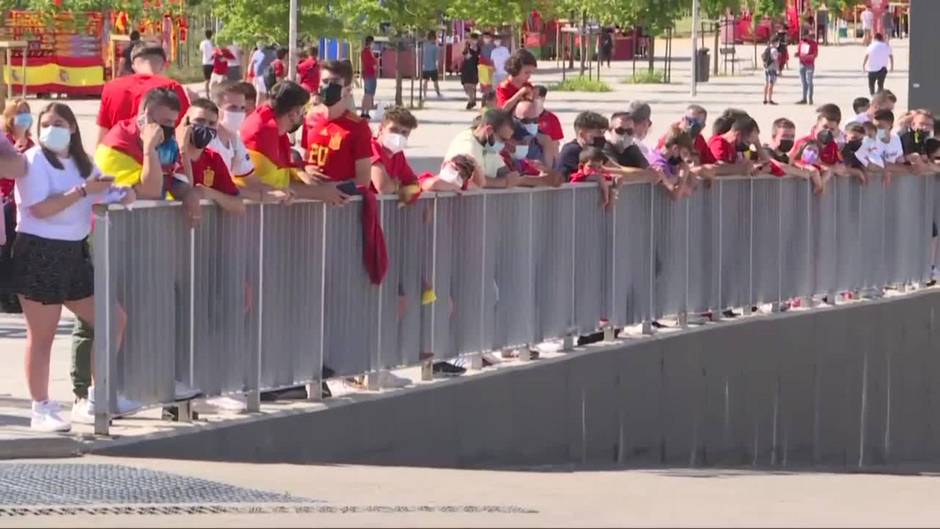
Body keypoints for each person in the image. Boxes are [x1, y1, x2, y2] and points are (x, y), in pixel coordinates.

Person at [14, 103, 134, 432]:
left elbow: (102, 192)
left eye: (59, 122)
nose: (52, 128)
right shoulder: (35, 160)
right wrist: (82, 191)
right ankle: (41, 406)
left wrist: (119, 193)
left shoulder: (83, 161)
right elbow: (39, 209)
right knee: (42, 336)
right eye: (46, 123)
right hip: (40, 252)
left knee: (113, 319)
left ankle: (96, 396)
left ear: (72, 128)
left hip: (74, 252)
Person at [243, 80, 344, 203]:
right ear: (293, 113)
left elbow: (280, 171)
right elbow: (273, 188)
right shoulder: (265, 130)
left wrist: (300, 172)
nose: (304, 116)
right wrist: (322, 192)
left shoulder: (268, 121)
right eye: (303, 111)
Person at [96, 44, 190, 145]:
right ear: (164, 65)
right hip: (156, 158)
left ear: (133, 66)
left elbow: (102, 136)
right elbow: (185, 134)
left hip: (118, 155)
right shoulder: (172, 87)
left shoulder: (111, 87)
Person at [301, 61, 373, 191]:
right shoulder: (310, 118)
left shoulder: (359, 127)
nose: (328, 86)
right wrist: (305, 169)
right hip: (312, 202)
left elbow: (363, 181)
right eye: (325, 81)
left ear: (347, 90)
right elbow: (306, 159)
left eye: (334, 82)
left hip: (342, 205)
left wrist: (331, 188)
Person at [176, 99, 244, 214]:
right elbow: (188, 192)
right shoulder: (172, 154)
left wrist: (209, 193)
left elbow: (239, 206)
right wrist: (183, 151)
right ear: (186, 122)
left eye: (211, 123)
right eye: (199, 121)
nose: (205, 127)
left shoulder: (213, 159)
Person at [442, 108, 522, 188]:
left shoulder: (488, 145)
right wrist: (505, 182)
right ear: (489, 131)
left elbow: (503, 172)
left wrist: (518, 178)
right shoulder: (466, 146)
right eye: (503, 139)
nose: (503, 145)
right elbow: (471, 180)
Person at [208, 81, 254, 180]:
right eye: (233, 107)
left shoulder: (235, 139)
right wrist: (263, 195)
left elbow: (248, 178)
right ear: (216, 109)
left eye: (242, 108)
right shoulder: (207, 142)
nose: (239, 113)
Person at [370, 106, 419, 195]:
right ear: (381, 129)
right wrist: (398, 185)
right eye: (393, 130)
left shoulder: (398, 154)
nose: (398, 136)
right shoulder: (371, 148)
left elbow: (414, 184)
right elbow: (383, 187)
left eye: (404, 132)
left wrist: (394, 185)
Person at [556, 111, 608, 181]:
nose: (602, 136)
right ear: (582, 134)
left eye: (603, 132)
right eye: (599, 132)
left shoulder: (597, 150)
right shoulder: (571, 151)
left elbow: (614, 168)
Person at [791, 103, 843, 171]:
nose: (827, 131)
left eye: (832, 129)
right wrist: (807, 166)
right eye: (825, 127)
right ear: (818, 123)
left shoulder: (833, 146)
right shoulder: (803, 142)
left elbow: (840, 166)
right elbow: (790, 162)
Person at [533, 85, 563, 169]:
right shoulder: (523, 116)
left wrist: (557, 166)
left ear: (542, 98)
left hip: (546, 161)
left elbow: (555, 145)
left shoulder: (552, 119)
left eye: (536, 96)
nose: (532, 98)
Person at [795, 27, 818, 105]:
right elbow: (798, 52)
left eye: (806, 35)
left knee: (809, 81)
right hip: (802, 64)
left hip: (809, 65)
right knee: (803, 82)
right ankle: (804, 98)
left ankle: (810, 98)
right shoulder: (801, 43)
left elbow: (815, 55)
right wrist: (797, 54)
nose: (804, 37)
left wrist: (807, 57)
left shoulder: (813, 43)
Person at [460, 33, 481, 110]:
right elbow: (464, 55)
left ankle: (471, 101)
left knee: (473, 85)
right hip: (466, 68)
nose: (474, 41)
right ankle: (472, 99)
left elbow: (479, 58)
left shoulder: (479, 49)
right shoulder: (467, 47)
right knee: (466, 85)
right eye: (472, 39)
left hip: (474, 68)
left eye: (475, 39)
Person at [360, 36, 378, 120]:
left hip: (367, 74)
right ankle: (365, 112)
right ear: (370, 42)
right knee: (369, 94)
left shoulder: (365, 51)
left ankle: (365, 111)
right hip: (369, 74)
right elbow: (372, 62)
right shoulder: (367, 52)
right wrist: (375, 61)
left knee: (367, 93)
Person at [420, 32, 442, 99]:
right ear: (434, 38)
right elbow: (436, 59)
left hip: (425, 67)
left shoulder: (425, 46)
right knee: (435, 82)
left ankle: (424, 94)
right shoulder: (435, 47)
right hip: (433, 67)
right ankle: (438, 94)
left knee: (425, 81)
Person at [762, 40, 780, 105]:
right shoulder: (774, 50)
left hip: (766, 69)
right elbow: (776, 60)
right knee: (771, 84)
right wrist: (778, 69)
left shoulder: (767, 48)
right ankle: (770, 99)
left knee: (766, 84)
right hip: (772, 69)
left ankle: (764, 99)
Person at [200, 30, 215, 98]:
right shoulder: (212, 43)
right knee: (212, 79)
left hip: (205, 62)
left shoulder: (203, 43)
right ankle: (212, 93)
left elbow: (201, 51)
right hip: (212, 63)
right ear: (211, 35)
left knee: (207, 79)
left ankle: (207, 94)